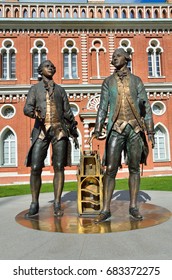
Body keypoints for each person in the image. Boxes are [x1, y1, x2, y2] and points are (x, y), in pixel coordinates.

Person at [90, 48, 155, 223]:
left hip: (134, 129)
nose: (114, 58)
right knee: (110, 169)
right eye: (112, 57)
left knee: (134, 168)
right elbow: (103, 106)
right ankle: (105, 208)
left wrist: (150, 130)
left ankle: (133, 206)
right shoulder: (108, 82)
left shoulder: (137, 81)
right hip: (116, 129)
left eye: (117, 55)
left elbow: (146, 106)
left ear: (126, 58)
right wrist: (97, 127)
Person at [24, 60, 79, 218]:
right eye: (48, 66)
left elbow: (68, 112)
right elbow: (27, 108)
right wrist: (35, 113)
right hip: (41, 131)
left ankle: (57, 203)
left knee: (59, 166)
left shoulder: (61, 90)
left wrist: (74, 132)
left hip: (59, 131)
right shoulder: (35, 89)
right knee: (35, 167)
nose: (52, 67)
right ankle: (34, 203)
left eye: (53, 66)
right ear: (40, 70)